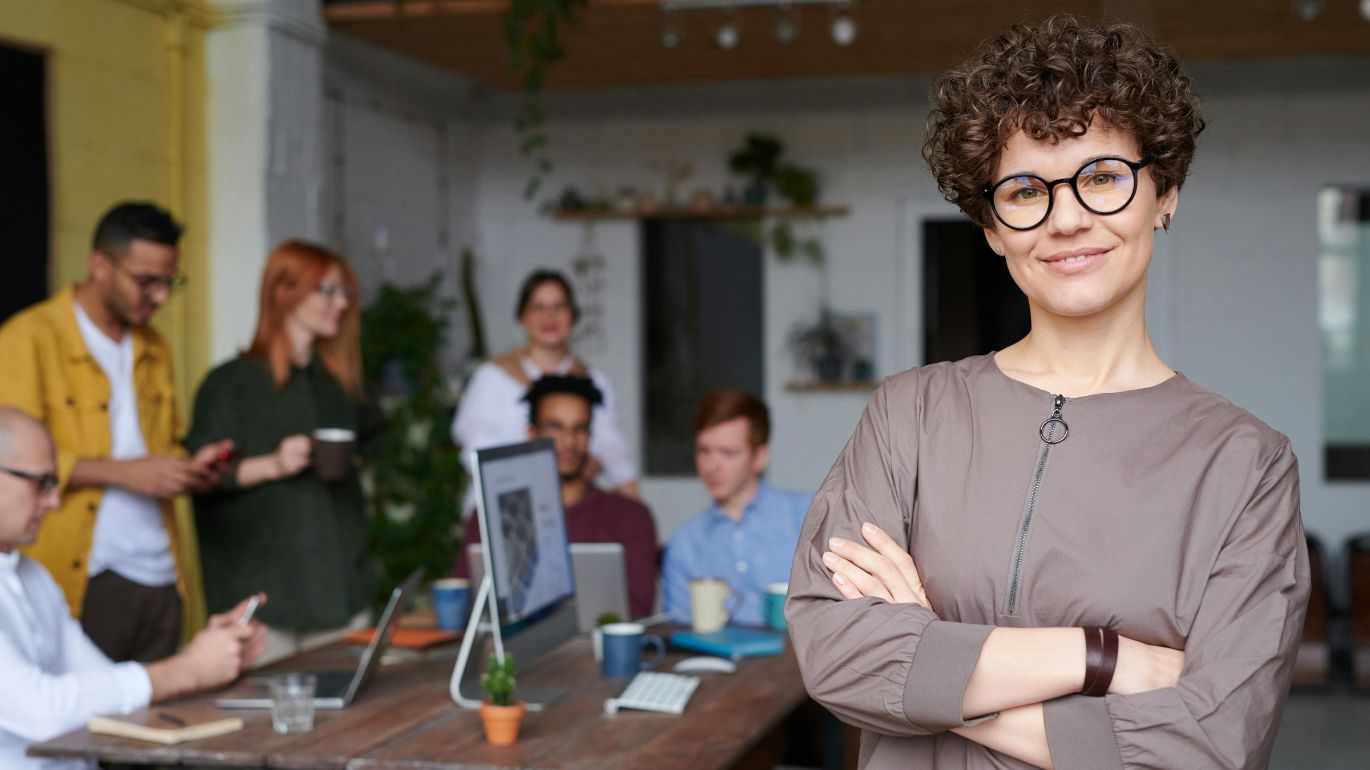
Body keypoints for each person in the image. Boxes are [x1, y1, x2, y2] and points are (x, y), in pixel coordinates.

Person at [786, 17, 1309, 770]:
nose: (1066, 219)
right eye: (1026, 190)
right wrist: (1102, 658)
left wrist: (930, 661)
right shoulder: (910, 416)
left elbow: (1210, 745)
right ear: (993, 226)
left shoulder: (1245, 465)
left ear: (1164, 194)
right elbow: (837, 656)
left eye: (1101, 178)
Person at [0, 202, 233, 663]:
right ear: (100, 267)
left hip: (162, 574)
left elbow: (159, 446)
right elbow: (13, 464)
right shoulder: (28, 339)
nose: (162, 296)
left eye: (170, 281)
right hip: (85, 575)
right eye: (148, 281)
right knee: (87, 726)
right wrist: (127, 474)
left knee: (163, 721)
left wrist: (188, 470)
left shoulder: (154, 347)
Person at [0, 406, 266, 770]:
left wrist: (209, 657)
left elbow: (105, 684)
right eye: (42, 483)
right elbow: (42, 711)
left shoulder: (34, 577)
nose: (55, 500)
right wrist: (187, 670)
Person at [185, 240, 381, 665]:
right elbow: (200, 475)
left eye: (345, 291)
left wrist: (350, 459)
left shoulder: (340, 384)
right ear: (283, 292)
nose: (341, 303)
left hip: (342, 589)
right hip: (265, 601)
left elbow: (373, 441)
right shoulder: (229, 383)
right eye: (326, 290)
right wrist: (274, 464)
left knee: (352, 724)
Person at [455, 375, 659, 618]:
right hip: (514, 652)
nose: (569, 442)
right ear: (531, 433)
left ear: (590, 436)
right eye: (556, 427)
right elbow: (463, 605)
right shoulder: (489, 516)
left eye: (579, 429)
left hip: (597, 651)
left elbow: (637, 611)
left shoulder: (631, 517)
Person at [451, 270, 638, 507]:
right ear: (522, 317)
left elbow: (613, 452)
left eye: (559, 307)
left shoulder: (593, 381)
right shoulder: (492, 377)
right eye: (538, 307)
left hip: (570, 508)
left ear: (573, 316)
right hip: (500, 503)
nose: (549, 316)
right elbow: (477, 452)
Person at [663, 389, 812, 627]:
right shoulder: (685, 542)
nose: (712, 465)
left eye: (728, 453)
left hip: (801, 661)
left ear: (760, 458)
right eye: (704, 451)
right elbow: (679, 633)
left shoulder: (807, 515)